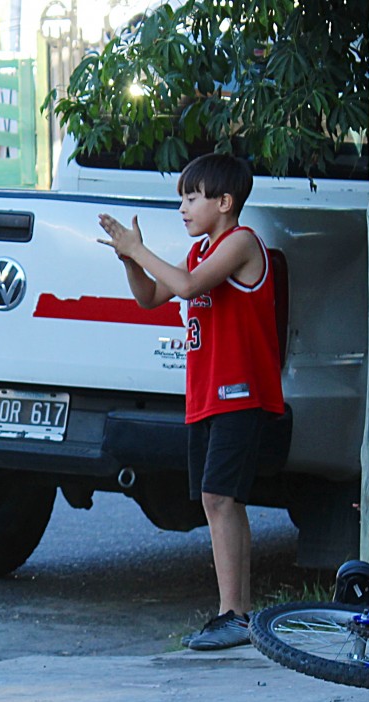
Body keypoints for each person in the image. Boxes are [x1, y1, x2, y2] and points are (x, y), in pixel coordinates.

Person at [98, 153, 284, 650]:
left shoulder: (239, 243)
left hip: (239, 393)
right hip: (205, 396)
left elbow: (185, 287)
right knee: (219, 499)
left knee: (219, 497)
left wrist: (140, 249)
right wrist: (128, 259)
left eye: (192, 197)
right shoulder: (201, 250)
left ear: (224, 203)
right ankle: (238, 612)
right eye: (181, 197)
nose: (182, 207)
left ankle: (233, 613)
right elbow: (151, 297)